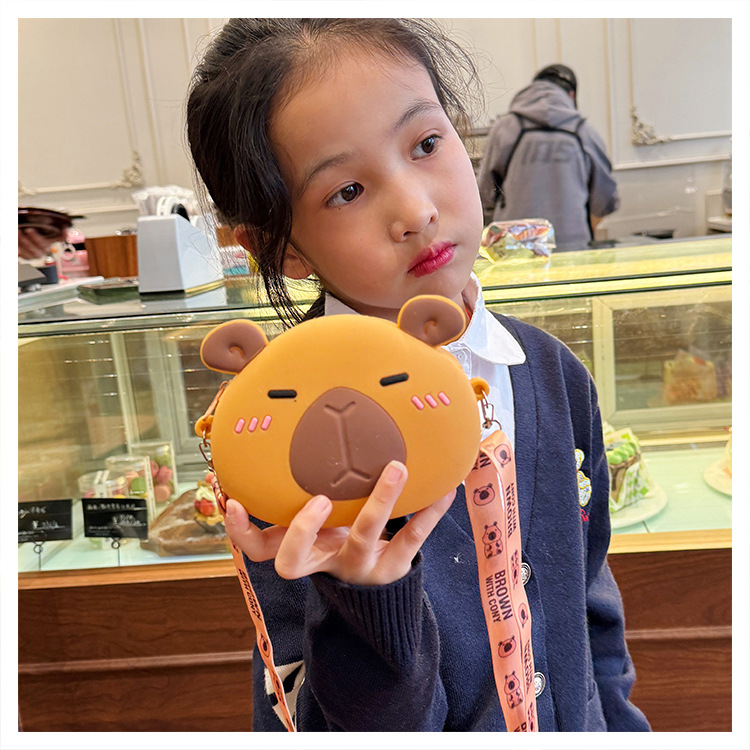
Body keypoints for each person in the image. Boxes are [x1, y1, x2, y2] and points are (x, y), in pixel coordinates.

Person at [186, 19, 649, 732]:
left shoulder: (550, 372)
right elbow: (317, 716)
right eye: (347, 191)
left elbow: (588, 599)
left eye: (427, 144)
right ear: (279, 248)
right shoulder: (283, 440)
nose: (416, 210)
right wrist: (366, 596)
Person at [477, 64, 619, 251]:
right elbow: (606, 198)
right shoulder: (584, 132)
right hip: (572, 247)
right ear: (571, 95)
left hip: (514, 245)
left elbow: (484, 193)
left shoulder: (506, 128)